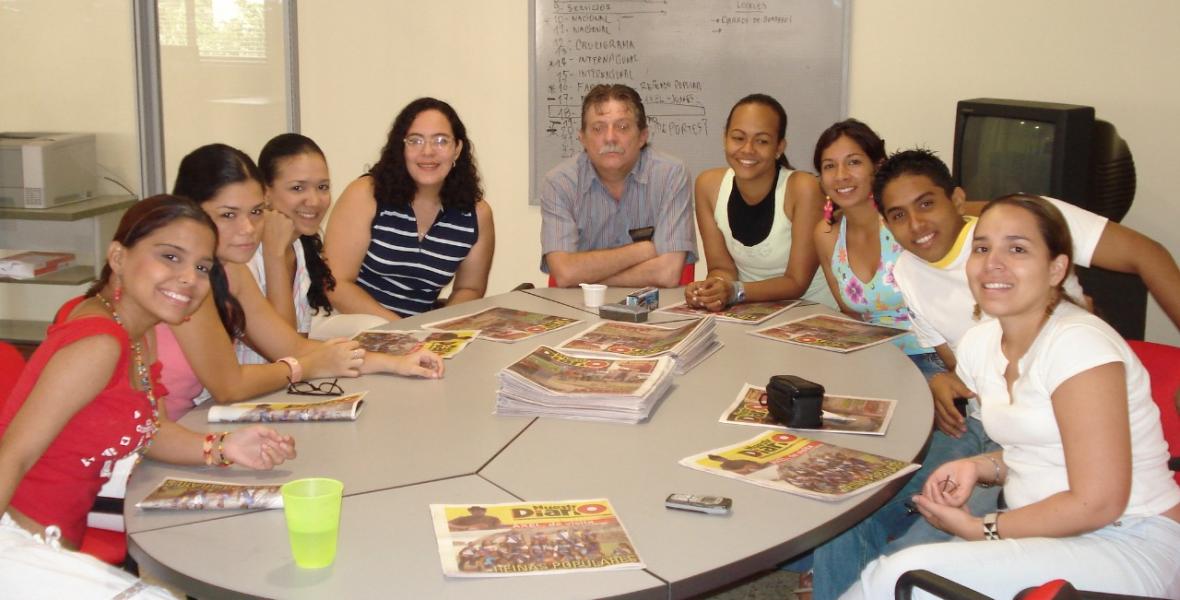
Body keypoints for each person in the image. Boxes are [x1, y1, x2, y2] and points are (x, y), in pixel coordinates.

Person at [843, 195, 1180, 598]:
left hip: (1127, 540)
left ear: (1057, 268)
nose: (993, 263)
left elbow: (1099, 502)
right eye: (982, 248)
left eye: (1017, 249)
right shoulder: (981, 343)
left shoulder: (1079, 344)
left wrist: (985, 528)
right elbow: (1040, 450)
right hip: (1045, 533)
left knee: (898, 578)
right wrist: (979, 468)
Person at [0, 196, 296, 597]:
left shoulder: (136, 336)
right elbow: (13, 455)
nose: (189, 278)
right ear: (118, 257)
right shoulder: (98, 343)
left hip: (53, 544)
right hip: (19, 544)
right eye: (170, 257)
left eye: (202, 267)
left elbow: (147, 429)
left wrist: (224, 447)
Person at [162, 143, 444, 420]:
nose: (248, 229)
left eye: (256, 212)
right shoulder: (183, 281)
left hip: (197, 420)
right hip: (169, 433)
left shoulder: (232, 271)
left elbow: (290, 345)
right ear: (191, 211)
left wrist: (393, 364)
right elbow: (229, 385)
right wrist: (307, 367)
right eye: (228, 215)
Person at [325, 97, 495, 320]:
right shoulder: (366, 194)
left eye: (441, 141)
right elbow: (335, 283)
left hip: (416, 338)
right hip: (350, 326)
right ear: (400, 147)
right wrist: (401, 330)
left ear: (457, 149)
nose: (427, 151)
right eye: (415, 141)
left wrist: (441, 328)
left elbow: (470, 289)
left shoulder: (476, 214)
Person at [810, 119, 942, 376]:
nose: (841, 176)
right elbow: (851, 314)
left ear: (877, 166)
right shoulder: (826, 234)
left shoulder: (903, 220)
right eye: (829, 166)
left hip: (933, 355)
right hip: (876, 357)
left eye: (854, 162)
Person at [683, 94, 834, 311]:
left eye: (762, 141)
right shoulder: (708, 185)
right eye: (738, 137)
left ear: (779, 147)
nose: (747, 149)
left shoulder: (803, 188)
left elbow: (796, 282)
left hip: (813, 315)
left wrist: (734, 291)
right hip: (750, 313)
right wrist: (711, 288)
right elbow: (721, 267)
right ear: (724, 138)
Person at [540, 83, 697, 288]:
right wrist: (643, 250)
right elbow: (565, 273)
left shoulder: (671, 175)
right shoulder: (559, 183)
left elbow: (667, 274)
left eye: (622, 127)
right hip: (579, 308)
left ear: (642, 136)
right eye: (598, 128)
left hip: (655, 310)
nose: (610, 137)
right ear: (583, 139)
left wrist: (585, 276)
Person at [254, 132, 336, 334]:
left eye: (322, 187)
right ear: (265, 193)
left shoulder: (299, 247)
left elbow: (299, 343)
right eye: (298, 188)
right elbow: (283, 346)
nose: (315, 201)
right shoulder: (244, 255)